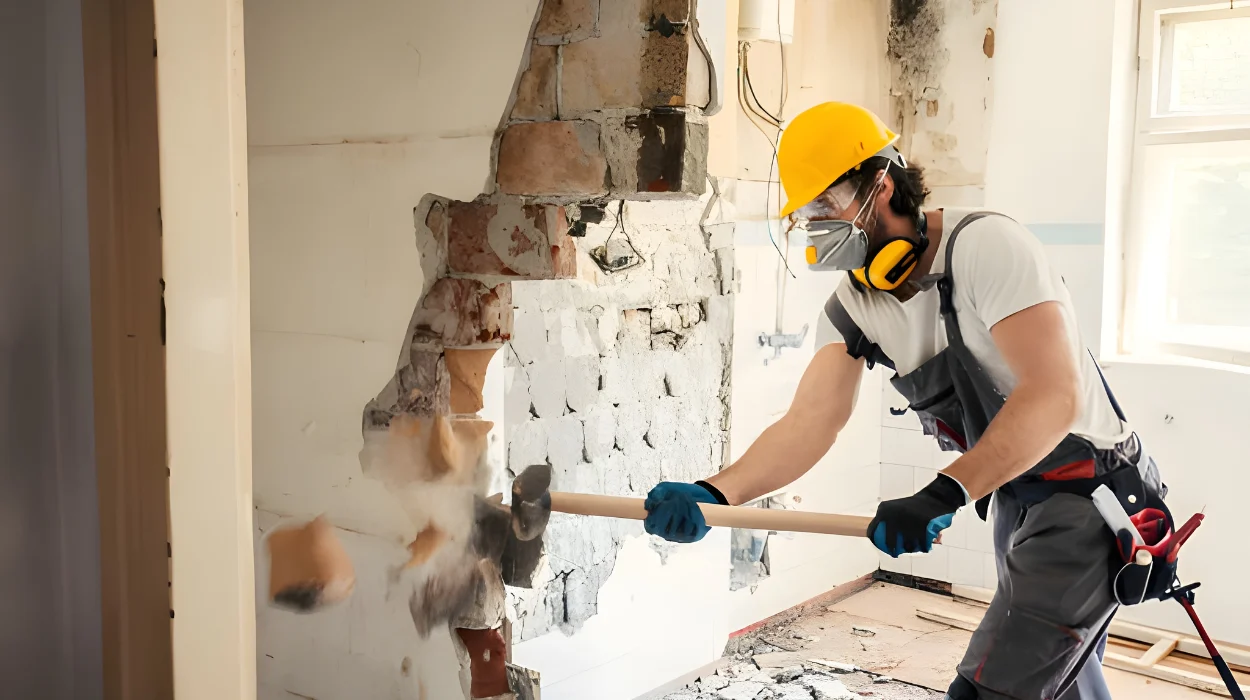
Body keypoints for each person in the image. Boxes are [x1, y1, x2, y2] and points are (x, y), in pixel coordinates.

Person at [641, 102, 1167, 700]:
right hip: (1018, 495)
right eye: (806, 215)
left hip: (1089, 495)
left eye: (825, 206)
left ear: (881, 188)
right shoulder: (856, 305)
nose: (814, 226)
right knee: (1059, 679)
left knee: (993, 688)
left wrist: (943, 492)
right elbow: (810, 422)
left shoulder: (986, 246)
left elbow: (1054, 397)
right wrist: (716, 494)